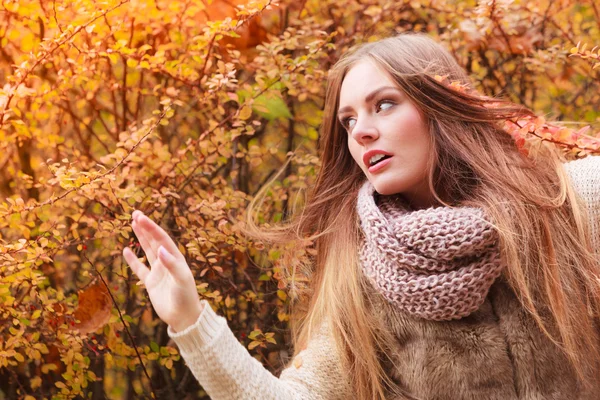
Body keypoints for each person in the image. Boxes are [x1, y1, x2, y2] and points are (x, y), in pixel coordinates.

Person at [122, 33, 600, 399]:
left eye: (384, 105)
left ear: (443, 108)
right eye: (348, 121)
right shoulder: (366, 280)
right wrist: (190, 320)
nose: (362, 133)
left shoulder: (567, 204)